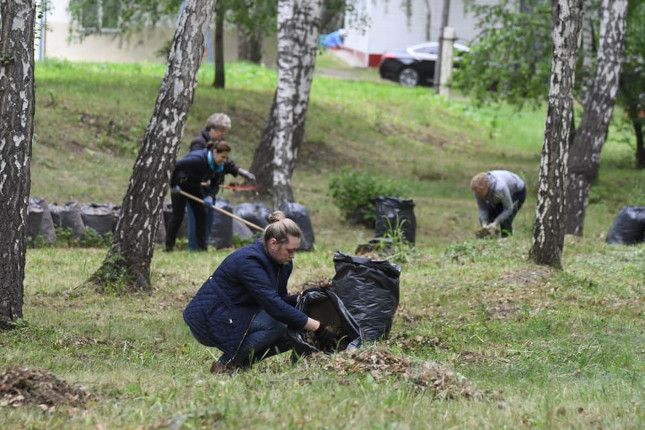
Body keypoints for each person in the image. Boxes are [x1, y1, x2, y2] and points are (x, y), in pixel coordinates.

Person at [183, 211, 339, 373]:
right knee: (277, 323)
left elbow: (279, 299)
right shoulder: (249, 262)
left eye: (295, 250)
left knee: (293, 331)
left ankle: (241, 364)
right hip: (211, 316)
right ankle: (226, 364)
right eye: (289, 250)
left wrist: (302, 296)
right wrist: (318, 327)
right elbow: (274, 306)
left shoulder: (282, 263)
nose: (293, 256)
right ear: (273, 243)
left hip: (238, 311)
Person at [186, 113, 255, 250]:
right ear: (212, 129)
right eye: (221, 131)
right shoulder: (198, 143)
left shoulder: (219, 143)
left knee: (208, 219)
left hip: (211, 188)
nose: (223, 134)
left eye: (224, 132)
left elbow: (226, 162)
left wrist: (240, 171)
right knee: (196, 219)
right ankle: (194, 249)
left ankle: (202, 248)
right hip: (196, 187)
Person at [166, 141, 243, 252]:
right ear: (215, 152)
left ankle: (202, 248)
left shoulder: (218, 167)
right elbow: (176, 165)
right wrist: (173, 185)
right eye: (223, 157)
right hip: (180, 186)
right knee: (178, 216)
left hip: (194, 187)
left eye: (227, 158)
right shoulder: (197, 159)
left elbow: (215, 184)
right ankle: (169, 247)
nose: (225, 160)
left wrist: (210, 196)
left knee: (202, 215)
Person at [470, 170, 526, 237]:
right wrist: (484, 223)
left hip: (517, 192)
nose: (478, 195)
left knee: (505, 220)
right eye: (476, 193)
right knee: (487, 217)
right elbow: (483, 209)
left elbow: (508, 208)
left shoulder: (500, 188)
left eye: (480, 193)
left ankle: (507, 241)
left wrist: (496, 223)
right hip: (498, 195)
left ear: (487, 187)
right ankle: (490, 242)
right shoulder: (478, 190)